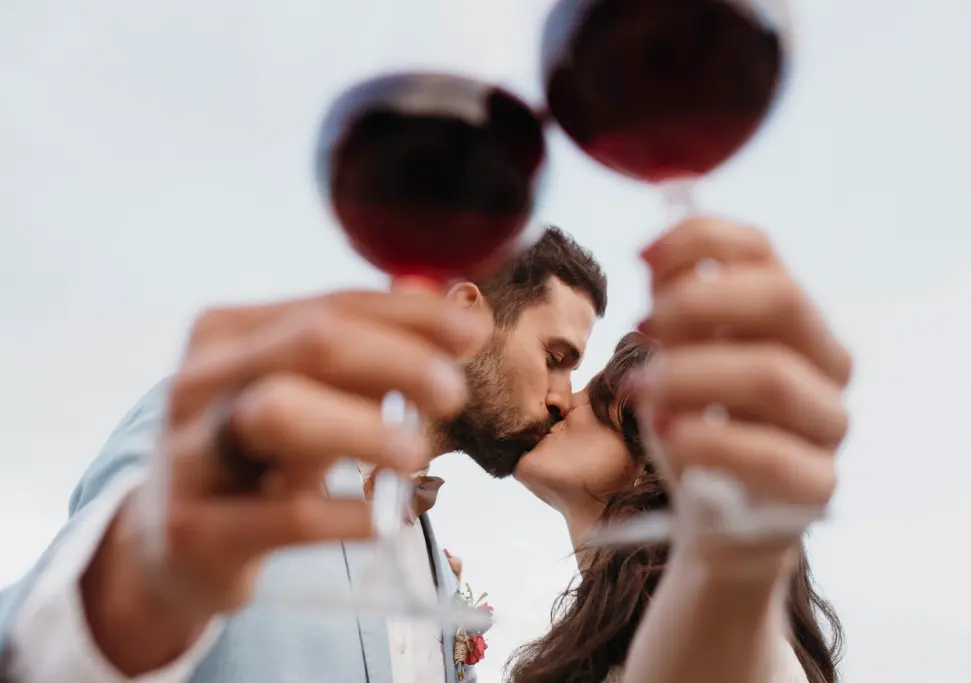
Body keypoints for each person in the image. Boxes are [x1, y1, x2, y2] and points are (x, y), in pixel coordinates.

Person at [0, 226, 608, 683]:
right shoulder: (234, 438)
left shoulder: (441, 580)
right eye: (556, 358)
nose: (563, 399)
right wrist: (120, 599)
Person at [510, 217, 852, 683]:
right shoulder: (591, 649)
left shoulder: (723, 642)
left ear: (656, 453)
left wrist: (742, 559)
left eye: (593, 398)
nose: (560, 401)